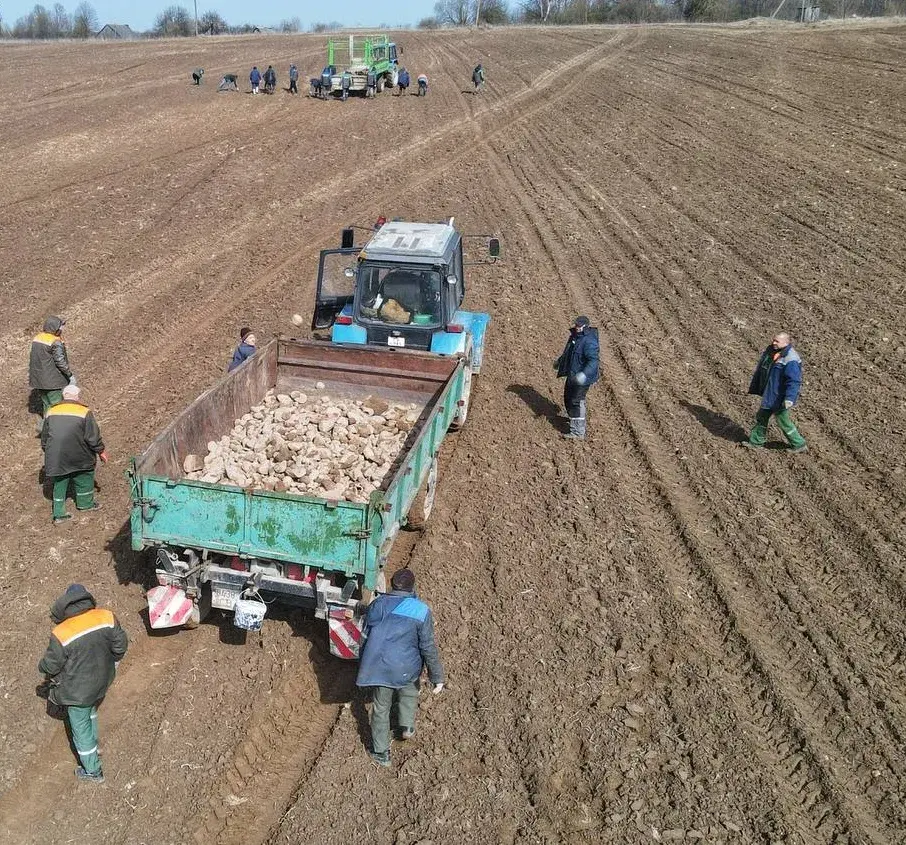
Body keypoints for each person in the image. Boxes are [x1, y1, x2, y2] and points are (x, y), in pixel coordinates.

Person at [38, 584, 128, 784]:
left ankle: (93, 771)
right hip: (103, 680)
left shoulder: (62, 632)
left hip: (77, 690)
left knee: (80, 725)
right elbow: (120, 645)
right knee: (91, 709)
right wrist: (111, 663)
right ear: (87, 600)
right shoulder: (106, 616)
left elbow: (50, 666)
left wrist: (42, 666)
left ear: (66, 604)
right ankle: (95, 748)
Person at [356, 568, 444, 768]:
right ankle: (406, 727)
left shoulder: (378, 605)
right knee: (409, 693)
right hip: (407, 667)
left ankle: (381, 753)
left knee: (380, 708)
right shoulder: (421, 610)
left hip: (380, 666)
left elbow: (364, 636)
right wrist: (436, 676)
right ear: (413, 587)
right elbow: (427, 646)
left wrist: (363, 666)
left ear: (392, 585)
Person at [42, 384, 107, 524]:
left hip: (57, 457)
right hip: (80, 455)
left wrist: (48, 451)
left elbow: (45, 437)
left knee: (60, 481)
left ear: (64, 396)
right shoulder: (84, 411)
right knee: (85, 476)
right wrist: (100, 451)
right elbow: (92, 437)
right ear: (76, 397)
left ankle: (59, 513)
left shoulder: (51, 411)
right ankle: (85, 504)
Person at [742, 332, 807, 453]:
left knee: (783, 421)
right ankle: (756, 442)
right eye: (774, 340)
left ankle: (799, 443)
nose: (774, 343)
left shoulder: (790, 359)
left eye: (777, 341)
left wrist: (789, 399)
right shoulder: (772, 351)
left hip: (779, 397)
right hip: (771, 394)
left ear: (786, 343)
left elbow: (794, 381)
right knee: (762, 416)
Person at [554, 316, 600, 440]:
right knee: (568, 398)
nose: (577, 327)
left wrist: (584, 374)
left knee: (576, 401)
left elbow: (594, 361)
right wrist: (559, 362)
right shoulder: (574, 336)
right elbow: (568, 352)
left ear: (586, 326)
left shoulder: (589, 342)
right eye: (576, 325)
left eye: (579, 326)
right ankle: (574, 419)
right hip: (572, 373)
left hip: (583, 378)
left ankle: (578, 432)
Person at [29, 315, 75, 425]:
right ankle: (54, 429)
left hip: (38, 380)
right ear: (55, 328)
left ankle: (46, 427)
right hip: (53, 382)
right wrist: (69, 374)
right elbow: (60, 361)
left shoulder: (37, 338)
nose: (61, 330)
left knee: (47, 405)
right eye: (60, 327)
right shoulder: (55, 342)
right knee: (56, 406)